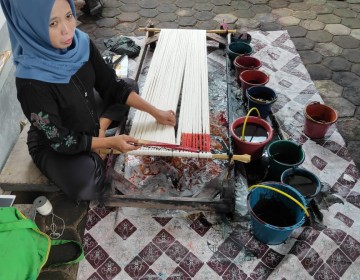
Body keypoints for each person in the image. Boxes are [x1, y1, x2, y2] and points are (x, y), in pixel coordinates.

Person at [0, 0, 176, 202]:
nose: (67, 30)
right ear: (31, 26)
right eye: (52, 24)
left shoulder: (80, 43)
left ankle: (100, 130)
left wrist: (155, 113)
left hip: (86, 113)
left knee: (128, 86)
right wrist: (109, 142)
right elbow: (59, 140)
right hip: (55, 141)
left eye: (68, 16)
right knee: (87, 184)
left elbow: (111, 85)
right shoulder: (31, 82)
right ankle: (94, 147)